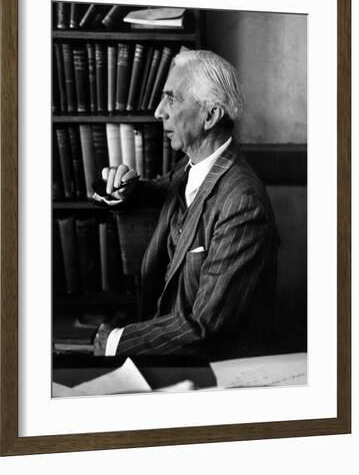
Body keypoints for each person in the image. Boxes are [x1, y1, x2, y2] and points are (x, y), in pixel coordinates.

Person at [94, 50, 279, 359]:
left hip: (217, 371)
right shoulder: (190, 166)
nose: (157, 112)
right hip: (172, 352)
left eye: (172, 99)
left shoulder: (243, 204)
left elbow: (205, 326)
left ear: (210, 115)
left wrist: (116, 342)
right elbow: (159, 190)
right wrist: (122, 186)